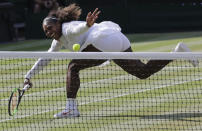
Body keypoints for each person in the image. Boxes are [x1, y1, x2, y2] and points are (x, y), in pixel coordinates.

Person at [23, 3, 199, 119]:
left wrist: (87, 25)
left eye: (50, 28)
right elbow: (46, 58)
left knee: (73, 66)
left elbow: (78, 29)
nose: (48, 32)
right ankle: (177, 52)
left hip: (103, 39)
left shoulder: (68, 29)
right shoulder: (58, 41)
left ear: (58, 23)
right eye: (45, 31)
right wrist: (29, 75)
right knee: (142, 72)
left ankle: (71, 109)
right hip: (116, 39)